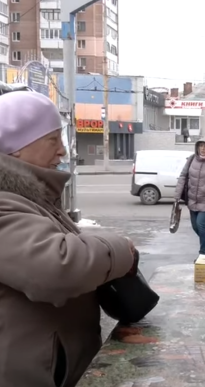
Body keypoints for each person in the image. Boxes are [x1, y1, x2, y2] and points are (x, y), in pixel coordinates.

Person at [0, 90, 138, 386]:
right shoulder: (5, 202)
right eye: (53, 140)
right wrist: (121, 249)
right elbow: (56, 268)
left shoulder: (30, 198)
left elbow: (54, 240)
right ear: (16, 147)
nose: (62, 151)